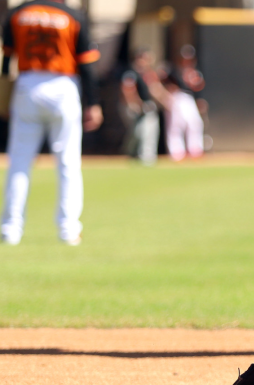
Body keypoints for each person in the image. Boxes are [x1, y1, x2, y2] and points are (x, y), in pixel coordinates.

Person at [1, 0, 102, 246]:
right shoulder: (73, 15)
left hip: (27, 85)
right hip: (63, 86)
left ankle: (10, 228)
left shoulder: (18, 13)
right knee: (68, 162)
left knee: (19, 161)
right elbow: (87, 65)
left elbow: (6, 61)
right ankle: (68, 229)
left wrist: (5, 94)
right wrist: (93, 102)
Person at [119, 48, 159, 166]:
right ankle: (132, 153)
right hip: (135, 107)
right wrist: (136, 104)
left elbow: (155, 90)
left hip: (147, 106)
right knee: (137, 132)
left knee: (148, 131)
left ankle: (147, 156)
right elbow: (127, 90)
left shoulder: (148, 73)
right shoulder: (131, 72)